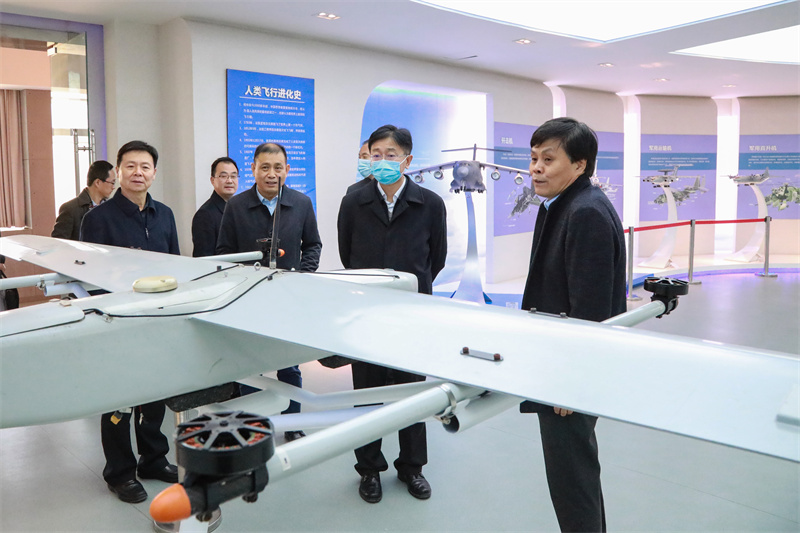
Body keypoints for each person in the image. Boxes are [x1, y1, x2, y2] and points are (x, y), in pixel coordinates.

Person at [519, 118, 626, 532]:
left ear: (580, 164)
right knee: (575, 477)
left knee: (572, 482)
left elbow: (592, 310)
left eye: (548, 159)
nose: (536, 168)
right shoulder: (563, 205)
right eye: (533, 158)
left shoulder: (585, 213)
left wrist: (571, 381)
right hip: (559, 365)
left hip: (568, 377)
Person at [337, 124, 447, 504]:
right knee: (368, 392)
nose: (381, 161)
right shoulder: (353, 202)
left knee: (411, 391)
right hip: (366, 313)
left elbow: (437, 259)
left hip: (412, 315)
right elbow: (347, 255)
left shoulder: (429, 204)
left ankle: (412, 467)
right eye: (375, 154)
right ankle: (369, 469)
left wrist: (413, 287)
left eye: (390, 155)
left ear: (407, 160)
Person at [80, 140, 180, 504]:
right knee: (119, 399)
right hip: (118, 323)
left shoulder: (164, 214)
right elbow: (90, 279)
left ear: (154, 172)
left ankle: (153, 459)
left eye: (145, 166)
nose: (139, 172)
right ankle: (120, 472)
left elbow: (175, 265)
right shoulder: (97, 220)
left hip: (157, 320)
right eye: (131, 166)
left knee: (154, 394)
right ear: (119, 171)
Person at [216, 142, 321, 441]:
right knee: (251, 368)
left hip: (289, 300)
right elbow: (224, 252)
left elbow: (313, 245)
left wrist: (301, 276)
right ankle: (253, 429)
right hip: (249, 301)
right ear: (253, 169)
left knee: (289, 365)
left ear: (287, 169)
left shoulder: (301, 203)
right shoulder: (236, 206)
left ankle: (292, 424)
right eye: (265, 167)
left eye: (278, 168)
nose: (271, 174)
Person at [51, 160, 115, 240]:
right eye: (112, 183)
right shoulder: (70, 209)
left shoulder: (111, 208)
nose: (113, 187)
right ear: (98, 182)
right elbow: (59, 243)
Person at [192, 157, 239, 257]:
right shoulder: (204, 215)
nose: (230, 181)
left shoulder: (239, 209)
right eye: (223, 176)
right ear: (212, 180)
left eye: (233, 176)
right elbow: (204, 257)